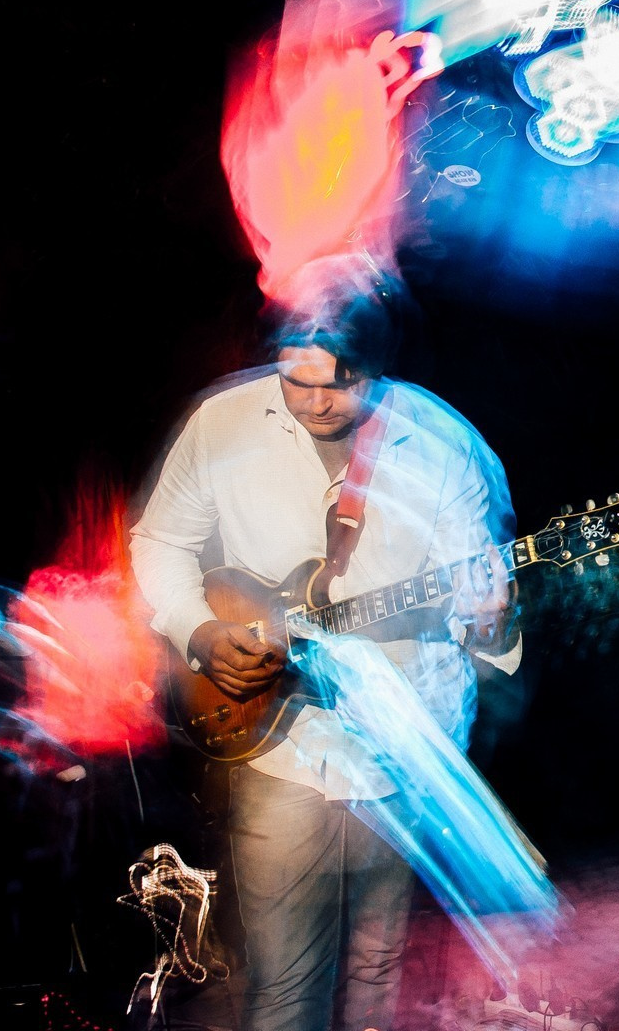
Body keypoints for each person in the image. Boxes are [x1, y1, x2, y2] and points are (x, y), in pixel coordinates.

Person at [132, 280, 521, 1031]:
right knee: (282, 986)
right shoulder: (224, 423)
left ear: (378, 365)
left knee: (380, 975)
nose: (314, 402)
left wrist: (491, 616)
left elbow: (483, 612)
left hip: (408, 744)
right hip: (284, 747)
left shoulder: (444, 444)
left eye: (340, 384)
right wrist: (198, 632)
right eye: (295, 380)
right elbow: (161, 541)